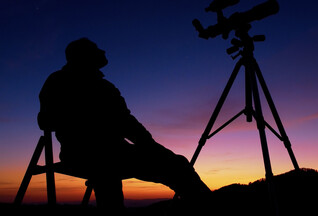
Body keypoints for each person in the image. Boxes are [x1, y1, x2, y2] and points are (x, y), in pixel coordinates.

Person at [38, 38, 211, 208]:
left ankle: (206, 206)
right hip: (80, 154)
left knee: (175, 163)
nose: (103, 51)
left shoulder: (105, 86)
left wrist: (150, 145)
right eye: (96, 48)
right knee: (107, 170)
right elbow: (45, 121)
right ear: (84, 55)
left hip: (117, 151)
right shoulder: (59, 81)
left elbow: (127, 122)